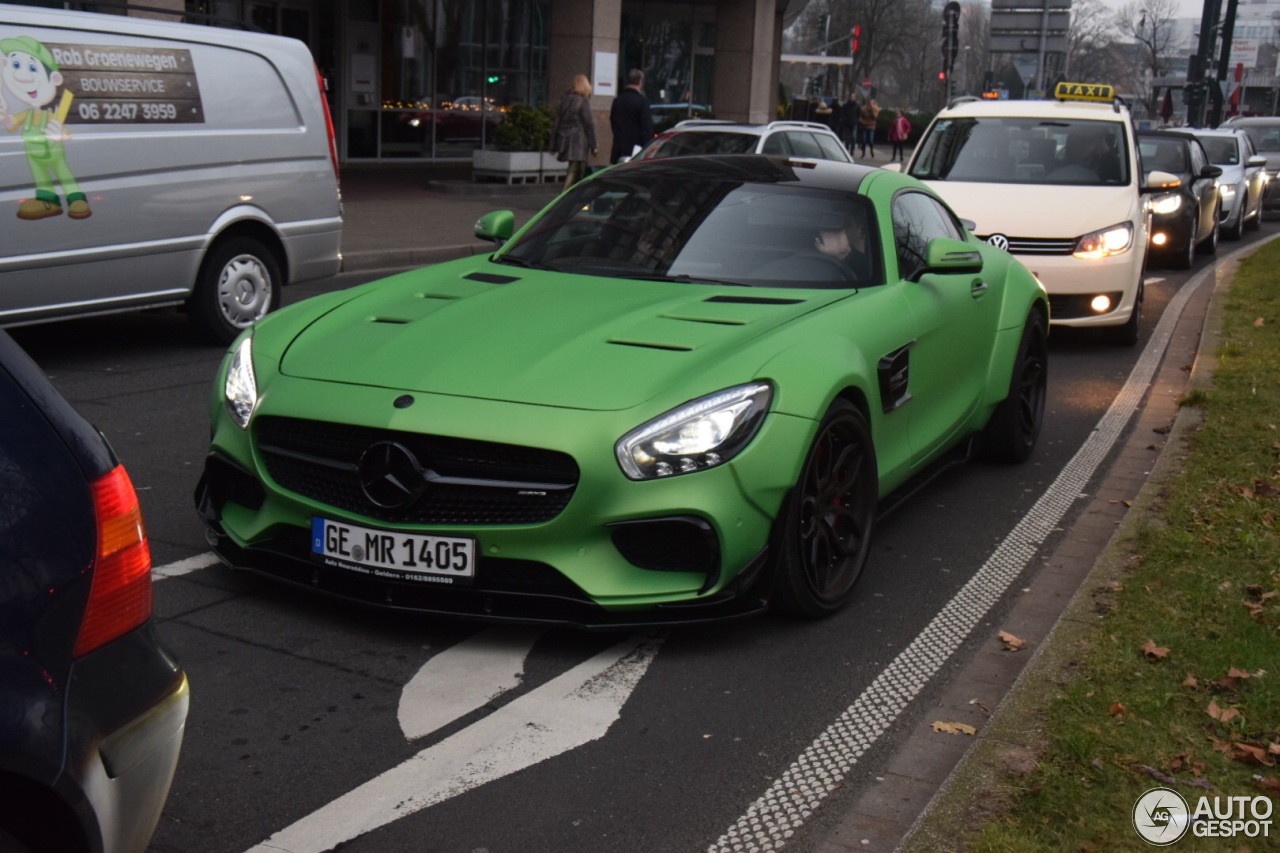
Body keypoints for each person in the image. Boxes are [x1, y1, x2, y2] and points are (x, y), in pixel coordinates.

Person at [550, 74, 597, 188]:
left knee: (572, 169)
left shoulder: (564, 99)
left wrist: (554, 142)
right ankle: (566, 197)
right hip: (579, 141)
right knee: (576, 173)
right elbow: (588, 124)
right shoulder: (583, 101)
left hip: (565, 138)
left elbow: (557, 121)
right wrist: (593, 145)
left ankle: (567, 196)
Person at [812, 211, 872, 282]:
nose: (841, 229)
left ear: (862, 232)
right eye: (839, 224)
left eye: (848, 225)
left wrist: (847, 255)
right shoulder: (820, 261)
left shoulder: (876, 265)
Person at [609, 68, 654, 163]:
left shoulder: (617, 100)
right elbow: (646, 128)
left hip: (618, 150)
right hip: (636, 152)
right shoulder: (642, 102)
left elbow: (613, 121)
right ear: (640, 82)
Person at [837, 91, 860, 155]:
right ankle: (847, 148)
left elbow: (859, 115)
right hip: (846, 124)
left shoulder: (857, 106)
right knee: (847, 138)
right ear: (849, 97)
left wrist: (856, 121)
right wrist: (844, 120)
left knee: (853, 137)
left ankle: (852, 150)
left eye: (854, 97)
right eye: (852, 97)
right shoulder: (845, 106)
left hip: (854, 124)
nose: (853, 98)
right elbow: (842, 114)